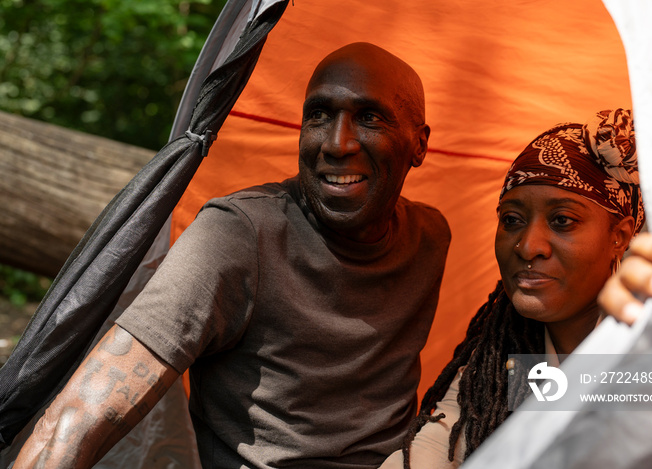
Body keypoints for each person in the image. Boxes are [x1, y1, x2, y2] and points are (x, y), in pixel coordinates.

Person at [13, 42, 452, 469]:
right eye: (318, 115)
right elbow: (76, 418)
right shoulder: (239, 233)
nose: (336, 144)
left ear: (419, 144)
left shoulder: (430, 237)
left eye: (369, 118)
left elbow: (517, 367)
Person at [379, 108, 651, 469]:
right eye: (512, 220)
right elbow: (434, 444)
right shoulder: (497, 363)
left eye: (562, 221)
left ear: (619, 236)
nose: (527, 246)